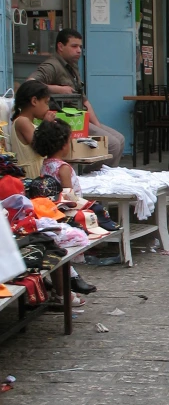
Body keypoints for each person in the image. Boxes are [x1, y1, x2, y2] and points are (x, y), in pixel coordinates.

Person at [28, 29, 125, 171]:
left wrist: (97, 125)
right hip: (64, 120)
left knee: (119, 139)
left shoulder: (72, 68)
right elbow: (30, 83)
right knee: (113, 145)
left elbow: (84, 100)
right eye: (74, 46)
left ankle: (105, 177)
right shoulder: (52, 65)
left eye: (80, 47)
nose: (79, 50)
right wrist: (58, 89)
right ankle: (90, 179)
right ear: (60, 46)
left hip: (80, 118)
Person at [30, 118, 97, 298]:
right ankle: (66, 290)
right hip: (65, 212)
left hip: (49, 211)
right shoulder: (63, 168)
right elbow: (69, 197)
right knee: (64, 251)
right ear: (63, 145)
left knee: (56, 250)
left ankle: (66, 286)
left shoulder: (45, 164)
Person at [10, 80, 56, 179]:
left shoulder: (30, 123)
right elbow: (41, 148)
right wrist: (46, 124)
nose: (48, 108)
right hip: (29, 177)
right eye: (45, 102)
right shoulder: (22, 122)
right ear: (34, 101)